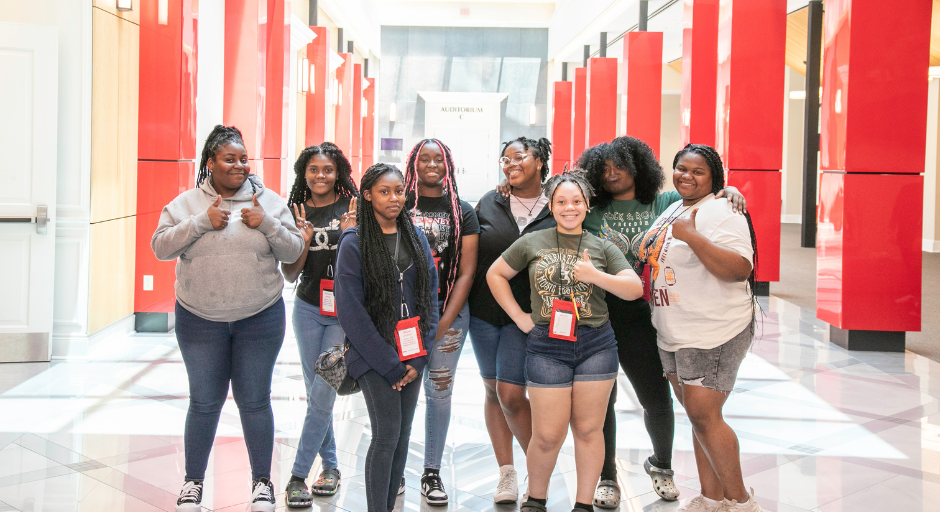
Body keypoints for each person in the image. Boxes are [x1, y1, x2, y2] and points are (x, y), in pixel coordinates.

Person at [579, 137, 747, 507]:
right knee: (600, 400)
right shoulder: (591, 206)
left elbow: (705, 200)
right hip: (599, 314)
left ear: (638, 167)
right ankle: (608, 476)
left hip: (646, 316)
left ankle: (663, 466)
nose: (611, 174)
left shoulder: (665, 202)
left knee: (656, 397)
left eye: (619, 166)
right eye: (603, 169)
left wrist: (729, 189)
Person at [153, 125, 305, 512]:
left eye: (243, 158)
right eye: (229, 159)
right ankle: (193, 483)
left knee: (255, 402)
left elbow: (292, 252)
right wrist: (202, 221)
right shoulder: (187, 204)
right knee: (204, 403)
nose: (239, 165)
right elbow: (160, 247)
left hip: (260, 319)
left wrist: (266, 223)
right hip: (200, 320)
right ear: (211, 163)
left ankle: (261, 484)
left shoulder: (268, 201)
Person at [487, 171, 643, 512]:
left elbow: (634, 289)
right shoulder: (532, 241)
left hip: (596, 345)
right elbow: (494, 274)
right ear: (551, 205)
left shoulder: (602, 245)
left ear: (587, 206)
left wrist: (596, 276)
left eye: (576, 201)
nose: (569, 207)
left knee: (589, 430)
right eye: (561, 201)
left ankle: (583, 505)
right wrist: (520, 317)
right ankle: (537, 501)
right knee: (547, 435)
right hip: (547, 346)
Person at [637, 144, 761, 512]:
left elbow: (740, 268)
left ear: (714, 178)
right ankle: (712, 498)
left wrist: (692, 237)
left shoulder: (724, 210)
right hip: (675, 329)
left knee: (705, 415)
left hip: (713, 331)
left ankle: (740, 502)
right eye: (680, 168)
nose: (685, 176)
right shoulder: (677, 205)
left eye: (697, 171)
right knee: (698, 416)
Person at [334, 163, 440, 512]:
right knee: (386, 435)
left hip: (411, 354)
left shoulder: (416, 236)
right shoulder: (355, 241)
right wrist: (390, 365)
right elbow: (350, 312)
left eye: (398, 191)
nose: (394, 198)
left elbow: (430, 297)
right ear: (367, 195)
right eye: (384, 191)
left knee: (402, 437)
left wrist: (419, 356)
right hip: (372, 354)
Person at [468, 136, 556, 503]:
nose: (510, 164)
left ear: (540, 160)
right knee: (493, 391)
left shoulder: (558, 204)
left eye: (519, 157)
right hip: (485, 313)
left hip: (528, 317)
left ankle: (536, 468)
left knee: (511, 394)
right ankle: (507, 473)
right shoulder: (490, 200)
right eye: (505, 159)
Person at [280, 143, 359, 508]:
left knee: (324, 390)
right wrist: (303, 243)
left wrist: (349, 234)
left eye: (327, 169)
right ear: (304, 173)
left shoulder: (353, 209)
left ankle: (297, 475)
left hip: (342, 313)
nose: (320, 176)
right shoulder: (294, 211)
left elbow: (360, 268)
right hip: (308, 308)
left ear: (338, 172)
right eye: (313, 169)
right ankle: (331, 467)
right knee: (317, 394)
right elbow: (290, 275)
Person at [402, 139, 480, 505]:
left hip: (449, 313)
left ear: (448, 165)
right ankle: (394, 465)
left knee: (439, 391)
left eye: (439, 159)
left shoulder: (462, 211)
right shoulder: (399, 206)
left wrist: (444, 322)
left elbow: (466, 274)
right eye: (424, 159)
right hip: (403, 316)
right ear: (413, 165)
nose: (432, 165)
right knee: (399, 387)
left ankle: (431, 472)